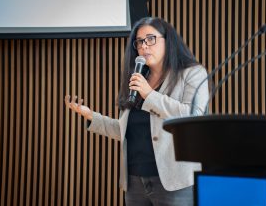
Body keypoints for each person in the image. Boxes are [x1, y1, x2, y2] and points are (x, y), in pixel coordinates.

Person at [65, 17, 209, 206]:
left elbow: (194, 117)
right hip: (135, 182)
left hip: (175, 182)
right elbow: (126, 131)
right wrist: (92, 116)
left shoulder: (192, 73)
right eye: (139, 42)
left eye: (151, 39)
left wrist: (150, 95)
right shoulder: (137, 79)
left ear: (169, 40)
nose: (144, 46)